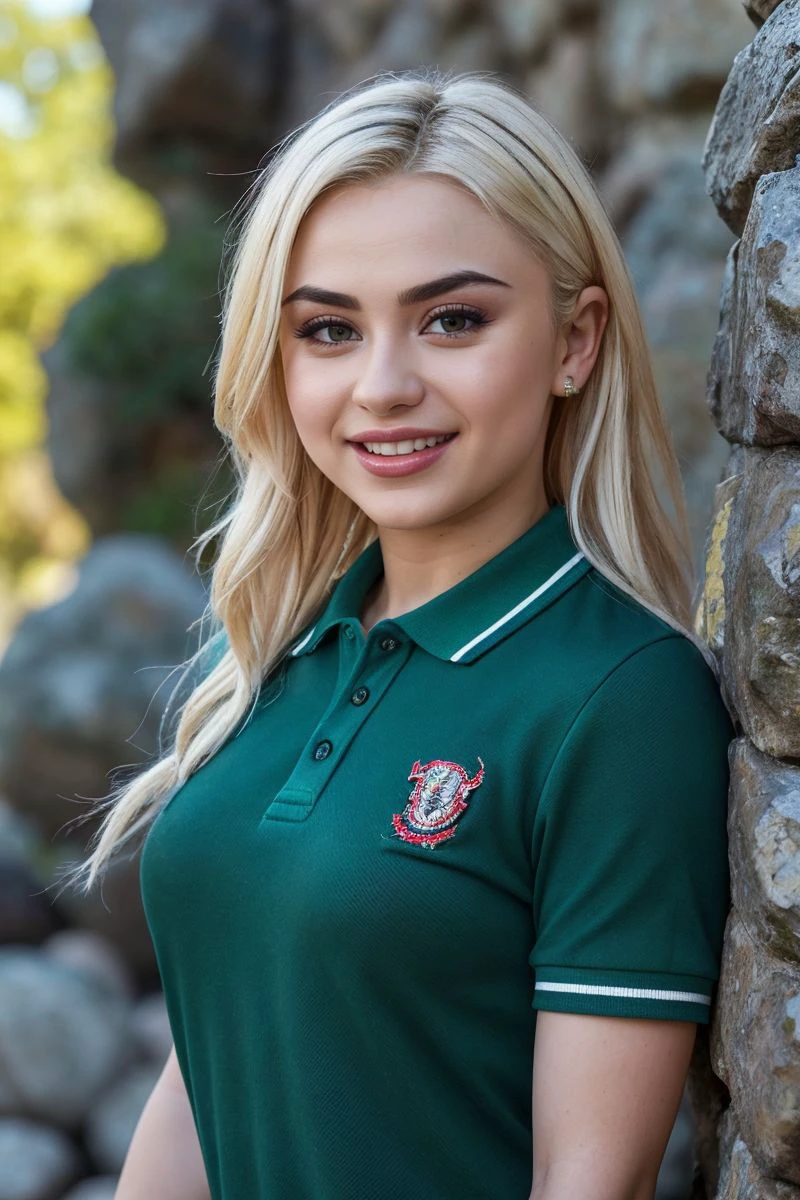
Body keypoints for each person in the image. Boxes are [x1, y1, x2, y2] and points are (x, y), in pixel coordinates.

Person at [69, 66, 735, 1200]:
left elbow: (590, 1182)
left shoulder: (622, 698)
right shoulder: (280, 661)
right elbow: (209, 1071)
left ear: (573, 342)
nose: (382, 384)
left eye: (452, 320)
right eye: (327, 330)